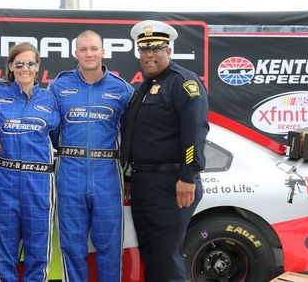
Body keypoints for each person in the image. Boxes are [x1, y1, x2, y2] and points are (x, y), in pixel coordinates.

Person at [120, 20, 209, 282]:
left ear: (168, 50)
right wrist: (128, 176)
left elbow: (194, 133)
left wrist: (188, 176)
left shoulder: (184, 83)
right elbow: (137, 136)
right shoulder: (143, 88)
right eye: (144, 50)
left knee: (167, 259)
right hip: (144, 182)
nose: (149, 55)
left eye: (155, 49)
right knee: (152, 256)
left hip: (172, 184)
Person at [47, 30, 133, 282]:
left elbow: (132, 136)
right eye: (83, 49)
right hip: (69, 173)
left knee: (109, 246)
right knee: (71, 247)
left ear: (103, 52)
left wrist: (128, 174)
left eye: (94, 48)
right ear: (76, 54)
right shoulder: (58, 86)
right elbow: (48, 129)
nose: (89, 54)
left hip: (107, 174)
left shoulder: (122, 89)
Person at [0, 42, 60, 282]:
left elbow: (58, 138)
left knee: (38, 252)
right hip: (6, 179)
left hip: (39, 182)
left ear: (38, 67)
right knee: (4, 252)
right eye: (19, 63)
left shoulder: (49, 99)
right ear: (10, 66)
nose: (25, 68)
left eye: (30, 63)